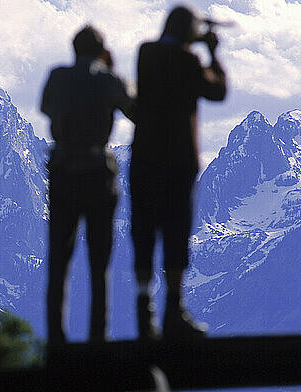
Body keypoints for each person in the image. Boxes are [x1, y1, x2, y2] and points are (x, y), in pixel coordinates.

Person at [130, 6, 227, 340]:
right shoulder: (189, 62)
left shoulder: (145, 53)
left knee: (143, 230)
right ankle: (174, 310)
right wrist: (211, 50)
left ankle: (144, 312)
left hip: (144, 158)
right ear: (188, 31)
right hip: (177, 162)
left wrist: (193, 38)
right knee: (175, 233)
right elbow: (218, 91)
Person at [41, 25, 135, 346]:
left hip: (63, 170)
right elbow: (135, 108)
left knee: (58, 258)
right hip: (98, 173)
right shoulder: (109, 80)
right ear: (101, 50)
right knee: (100, 261)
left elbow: (45, 107)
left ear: (73, 47)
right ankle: (99, 338)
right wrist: (111, 70)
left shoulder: (57, 76)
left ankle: (56, 339)